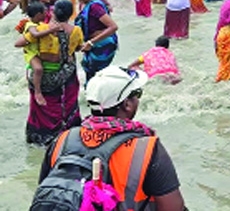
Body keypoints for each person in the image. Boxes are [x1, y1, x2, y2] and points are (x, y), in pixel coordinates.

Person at [38, 65, 185, 210]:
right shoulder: (147, 149)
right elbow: (173, 207)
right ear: (127, 104)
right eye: (137, 94)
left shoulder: (63, 140)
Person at [15, 0, 82, 145]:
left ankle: (40, 137)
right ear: (70, 14)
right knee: (67, 105)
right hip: (65, 78)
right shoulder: (75, 31)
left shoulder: (41, 29)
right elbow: (78, 48)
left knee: (40, 107)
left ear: (53, 12)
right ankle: (67, 136)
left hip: (42, 77)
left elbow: (19, 43)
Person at [75, 0, 119, 81]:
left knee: (97, 76)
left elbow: (113, 27)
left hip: (102, 45)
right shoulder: (83, 4)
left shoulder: (95, 6)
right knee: (90, 73)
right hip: (92, 44)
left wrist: (91, 42)